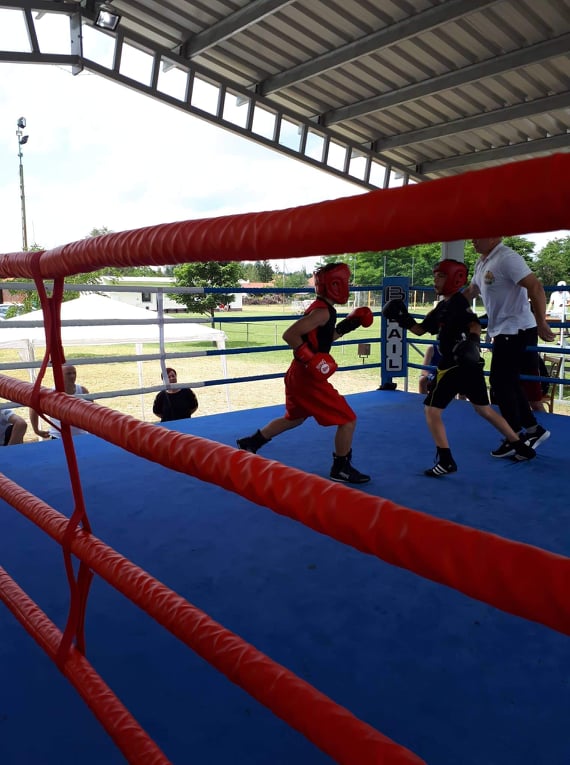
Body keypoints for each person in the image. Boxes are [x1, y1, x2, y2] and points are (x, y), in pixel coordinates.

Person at [383, 259, 535, 477]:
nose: (435, 280)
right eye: (435, 275)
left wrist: (471, 344)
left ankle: (445, 461)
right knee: (483, 409)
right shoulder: (442, 307)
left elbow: (474, 323)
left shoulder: (457, 304)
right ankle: (521, 447)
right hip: (468, 365)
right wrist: (402, 318)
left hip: (454, 365)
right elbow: (420, 330)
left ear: (455, 278)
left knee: (431, 411)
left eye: (441, 276)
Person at [236, 262, 373, 484]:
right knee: (348, 419)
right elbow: (290, 335)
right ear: (335, 285)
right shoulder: (321, 312)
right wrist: (311, 360)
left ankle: (252, 442)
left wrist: (350, 324)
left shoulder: (323, 309)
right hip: (307, 377)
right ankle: (341, 467)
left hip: (298, 374)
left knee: (295, 418)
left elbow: (322, 340)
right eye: (345, 283)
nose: (348, 286)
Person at [462, 237, 555, 457]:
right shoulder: (483, 262)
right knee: (508, 382)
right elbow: (472, 290)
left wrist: (542, 321)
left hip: (518, 330)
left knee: (500, 383)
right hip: (504, 330)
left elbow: (536, 286)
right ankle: (531, 429)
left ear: (495, 236)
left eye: (478, 236)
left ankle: (516, 434)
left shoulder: (508, 258)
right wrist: (448, 307)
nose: (473, 240)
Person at [30, 364, 89, 439]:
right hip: (59, 437)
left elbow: (92, 411)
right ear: (60, 375)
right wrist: (36, 430)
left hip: (82, 435)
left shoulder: (82, 390)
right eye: (68, 374)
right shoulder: (50, 394)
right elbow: (33, 408)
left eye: (74, 373)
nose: (72, 376)